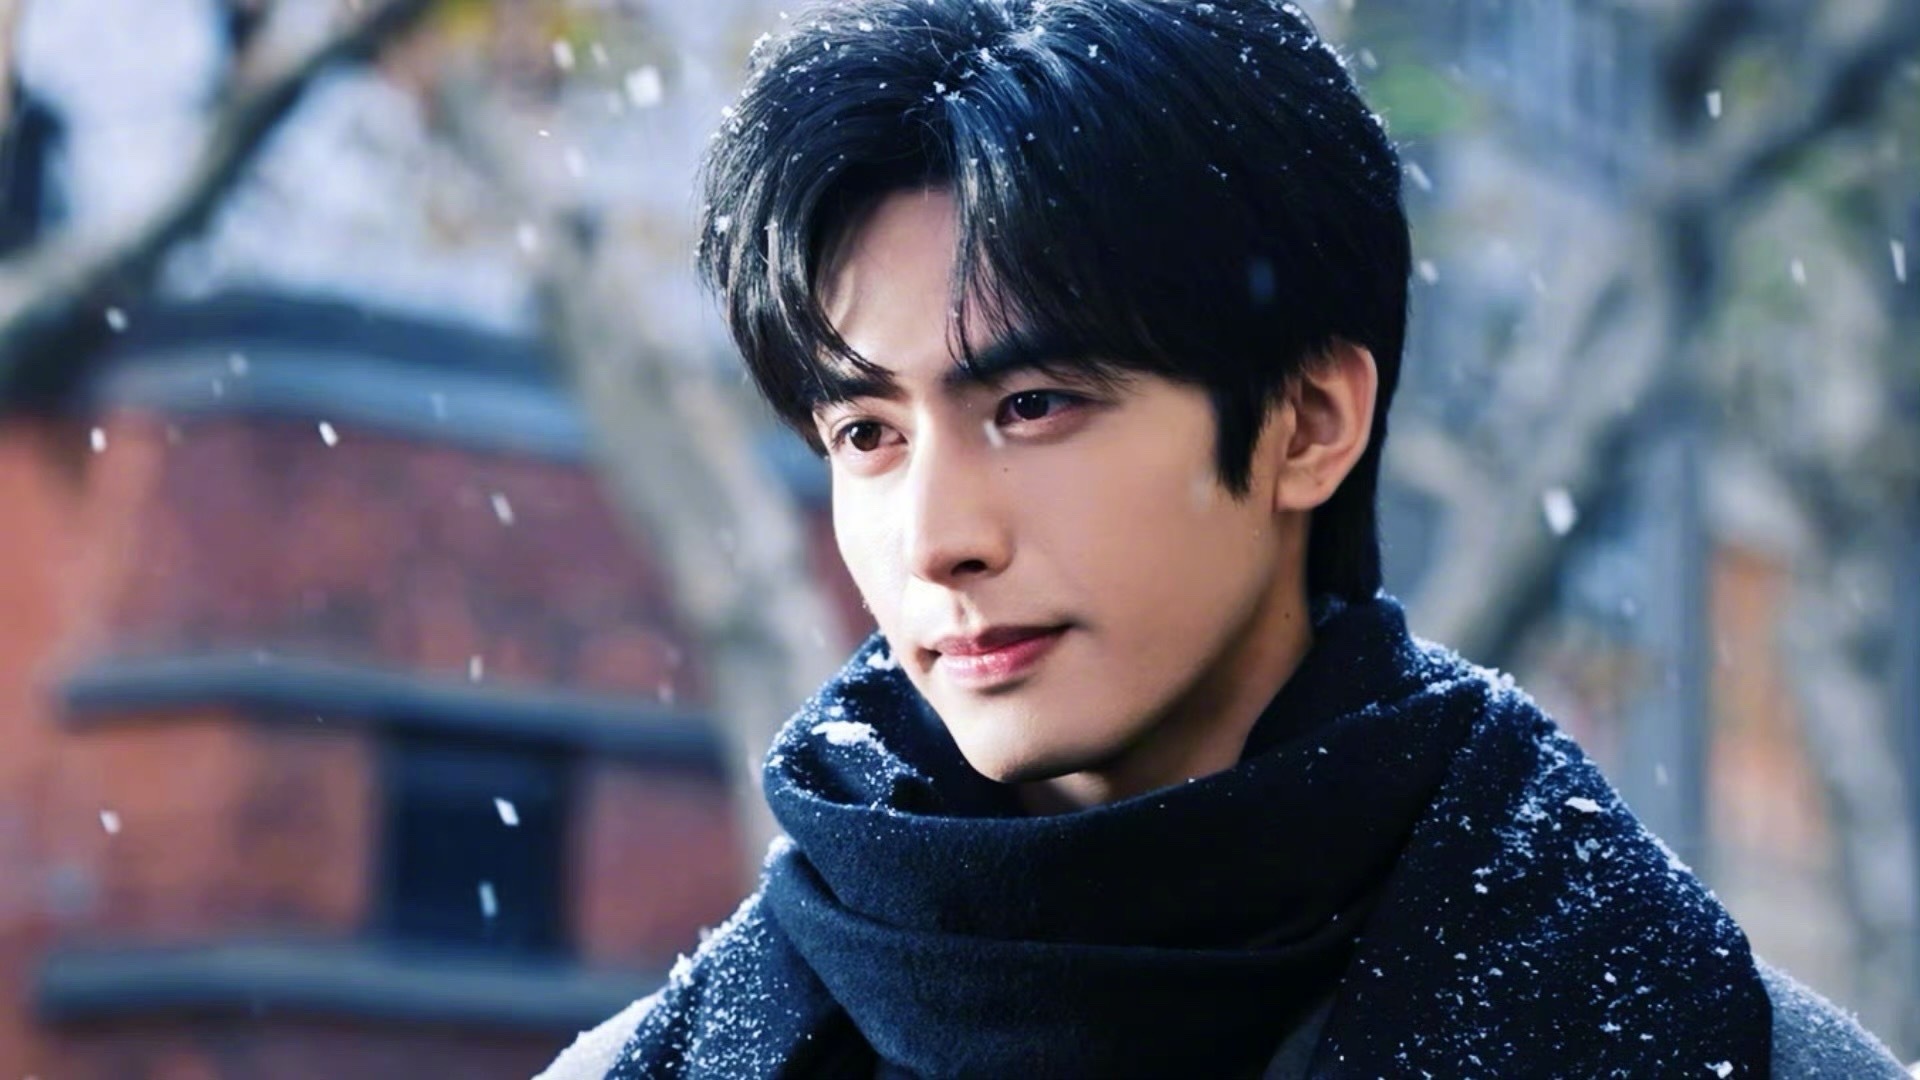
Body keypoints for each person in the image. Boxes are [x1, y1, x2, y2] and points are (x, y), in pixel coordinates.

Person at [542, 1, 1909, 1076]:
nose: (937, 539)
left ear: (1310, 424)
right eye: (867, 433)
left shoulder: (1696, 1036)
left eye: (1032, 405)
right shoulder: (674, 1061)